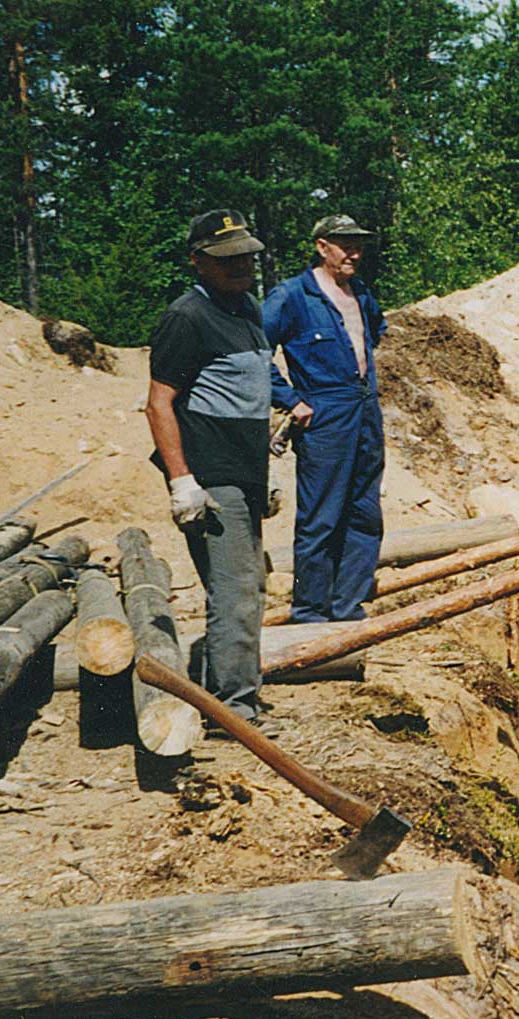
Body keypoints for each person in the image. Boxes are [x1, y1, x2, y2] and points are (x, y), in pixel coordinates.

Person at [144, 209, 275, 722]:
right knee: (236, 590)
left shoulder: (248, 310)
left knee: (250, 586)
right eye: (226, 259)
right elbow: (159, 402)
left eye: (245, 255)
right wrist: (182, 482)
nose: (240, 265)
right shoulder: (187, 318)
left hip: (245, 471)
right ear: (198, 261)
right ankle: (233, 713)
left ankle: (235, 695)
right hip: (212, 474)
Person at [263, 213, 388, 622]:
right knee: (321, 516)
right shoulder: (293, 296)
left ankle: (346, 604)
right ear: (322, 246)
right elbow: (252, 352)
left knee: (365, 511)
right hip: (324, 413)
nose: (355, 253)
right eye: (344, 244)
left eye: (358, 245)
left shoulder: (360, 293)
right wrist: (291, 400)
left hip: (364, 408)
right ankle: (310, 610)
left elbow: (374, 333)